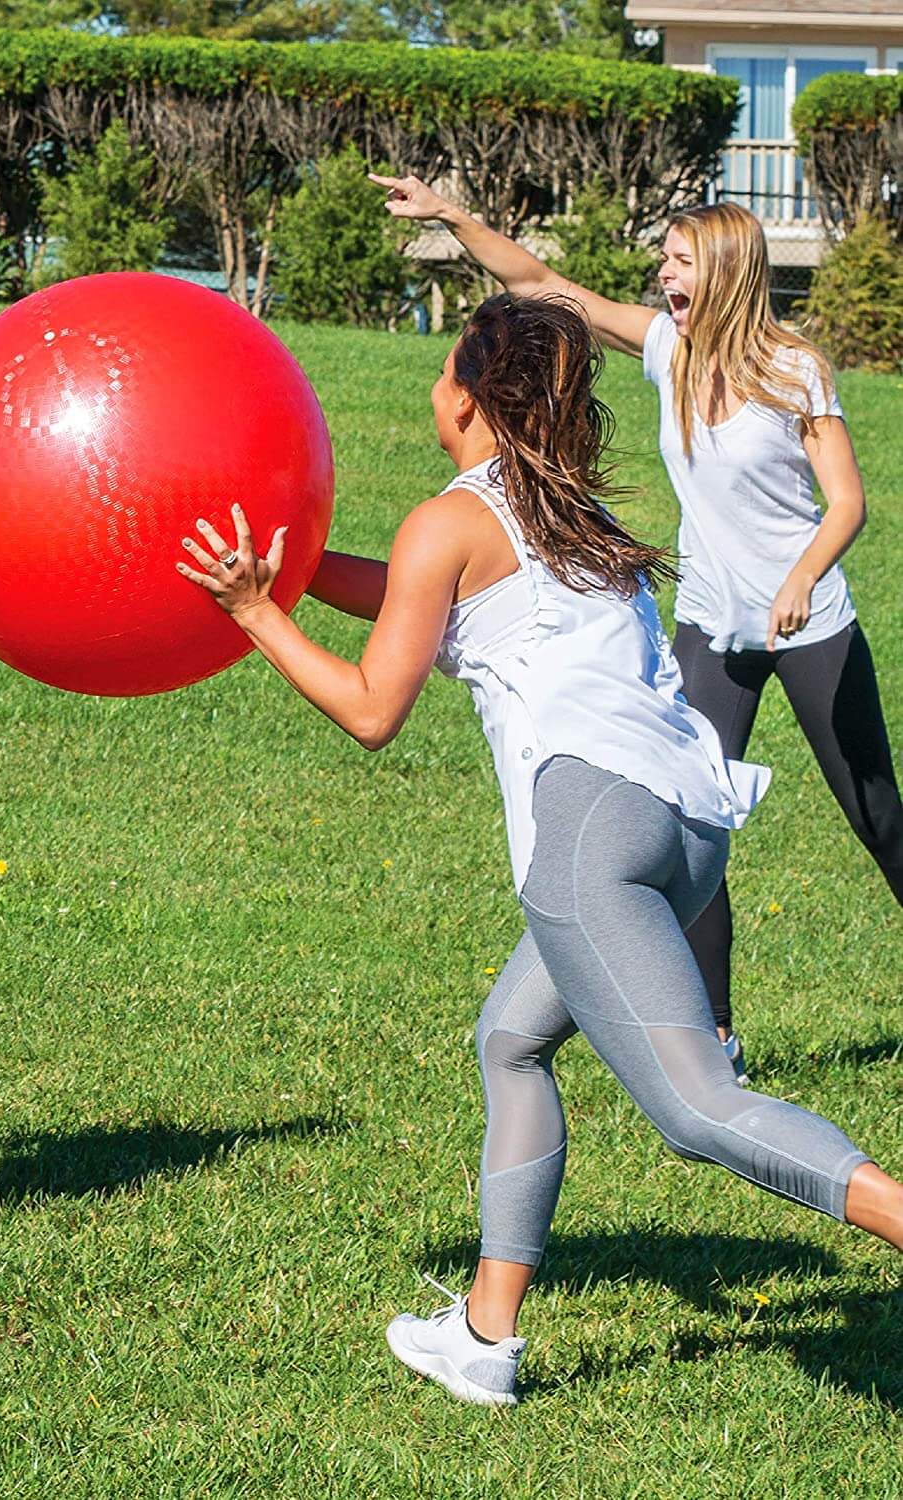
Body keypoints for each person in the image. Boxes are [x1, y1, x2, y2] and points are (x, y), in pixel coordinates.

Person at [174, 293, 903, 1407]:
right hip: (687, 829)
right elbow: (421, 597)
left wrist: (254, 617)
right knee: (511, 1040)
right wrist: (299, 573)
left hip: (590, 841)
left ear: (464, 392)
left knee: (696, 1107)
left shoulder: (454, 520)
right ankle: (484, 1334)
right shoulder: (566, 509)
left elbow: (375, 707)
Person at [371, 179, 901, 1086]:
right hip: (712, 624)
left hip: (811, 622)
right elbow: (547, 286)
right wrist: (456, 218)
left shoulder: (796, 368)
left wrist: (803, 580)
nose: (664, 274)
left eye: (680, 260)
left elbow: (846, 501)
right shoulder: (669, 352)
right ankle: (717, 1039)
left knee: (875, 811)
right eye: (665, 259)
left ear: (727, 271)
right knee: (690, 803)